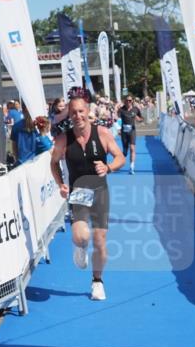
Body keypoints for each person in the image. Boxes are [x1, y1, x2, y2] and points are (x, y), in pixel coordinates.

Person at [50, 89, 126, 300]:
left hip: (100, 191)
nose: (78, 116)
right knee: (81, 236)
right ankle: (80, 247)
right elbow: (54, 163)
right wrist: (61, 184)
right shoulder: (63, 139)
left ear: (87, 110)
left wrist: (108, 167)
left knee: (100, 241)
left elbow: (120, 157)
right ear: (69, 114)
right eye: (73, 112)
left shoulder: (102, 133)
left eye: (81, 111)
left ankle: (97, 281)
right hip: (79, 193)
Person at [117, 95, 144, 174]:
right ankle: (123, 155)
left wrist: (138, 119)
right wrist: (118, 128)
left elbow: (141, 119)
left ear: (132, 101)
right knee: (125, 152)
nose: (128, 102)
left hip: (132, 131)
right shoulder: (121, 110)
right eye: (127, 100)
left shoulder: (135, 109)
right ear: (124, 101)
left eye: (130, 100)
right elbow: (117, 119)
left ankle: (132, 167)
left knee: (132, 148)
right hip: (124, 132)